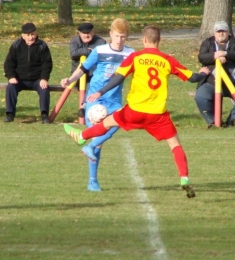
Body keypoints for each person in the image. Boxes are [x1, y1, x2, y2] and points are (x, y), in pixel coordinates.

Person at [63, 25, 211, 198]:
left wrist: (100, 92)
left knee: (107, 122)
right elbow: (192, 77)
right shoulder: (167, 60)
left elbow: (118, 78)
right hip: (158, 114)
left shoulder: (136, 56)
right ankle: (184, 178)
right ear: (159, 41)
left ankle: (82, 137)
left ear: (144, 40)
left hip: (135, 110)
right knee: (175, 145)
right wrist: (202, 73)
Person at [61, 18, 134, 191]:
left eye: (123, 37)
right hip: (95, 100)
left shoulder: (131, 54)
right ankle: (92, 180)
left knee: (123, 121)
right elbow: (83, 69)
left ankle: (86, 143)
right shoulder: (100, 50)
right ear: (110, 34)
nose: (119, 40)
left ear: (127, 37)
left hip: (114, 102)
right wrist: (70, 79)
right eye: (117, 36)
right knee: (98, 142)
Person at [4, 22, 53, 124]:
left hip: (37, 79)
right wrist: (11, 76)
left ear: (36, 33)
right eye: (28, 35)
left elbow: (47, 63)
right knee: (10, 87)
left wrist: (44, 78)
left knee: (44, 88)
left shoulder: (42, 46)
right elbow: (9, 63)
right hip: (19, 79)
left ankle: (44, 115)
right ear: (23, 36)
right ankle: (10, 114)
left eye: (33, 34)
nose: (31, 37)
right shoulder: (16, 45)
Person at [195, 20, 235, 128]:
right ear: (214, 33)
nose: (221, 33)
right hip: (211, 81)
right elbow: (202, 57)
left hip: (231, 81)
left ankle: (232, 120)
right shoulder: (207, 43)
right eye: (219, 31)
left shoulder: (233, 42)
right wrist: (216, 56)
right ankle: (212, 121)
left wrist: (225, 54)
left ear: (228, 32)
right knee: (201, 97)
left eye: (224, 31)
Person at [69, 22, 106, 117]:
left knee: (92, 83)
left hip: (94, 74)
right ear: (79, 33)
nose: (86, 35)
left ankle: (84, 107)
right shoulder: (74, 41)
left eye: (88, 32)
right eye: (83, 33)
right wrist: (89, 51)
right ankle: (85, 107)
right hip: (77, 75)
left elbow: (102, 56)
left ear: (93, 32)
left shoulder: (101, 42)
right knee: (90, 84)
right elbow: (73, 54)